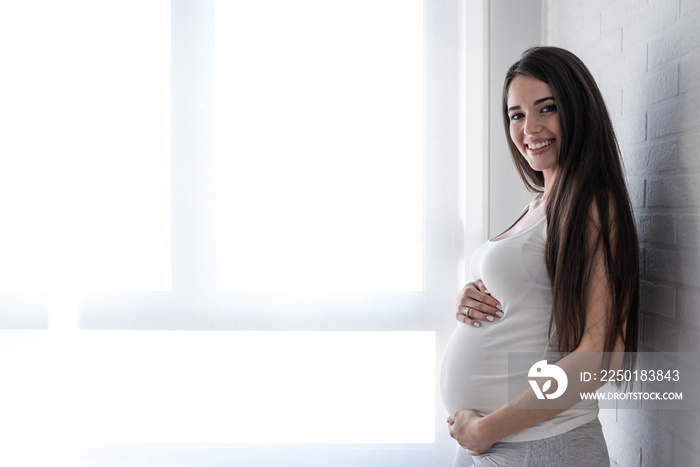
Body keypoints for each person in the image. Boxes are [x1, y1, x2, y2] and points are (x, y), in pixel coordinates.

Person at [440, 46, 639, 466]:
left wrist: (485, 429)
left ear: (577, 111)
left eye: (546, 109)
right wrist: (471, 298)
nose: (529, 127)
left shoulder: (592, 206)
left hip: (542, 444)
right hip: (508, 444)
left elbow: (599, 357)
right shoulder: (541, 204)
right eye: (516, 114)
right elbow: (533, 299)